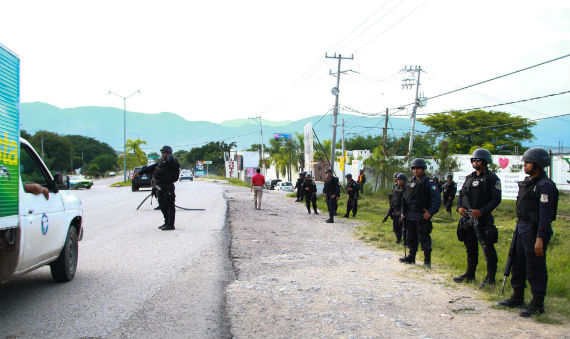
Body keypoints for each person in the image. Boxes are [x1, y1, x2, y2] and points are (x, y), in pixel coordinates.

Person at [498, 148, 559, 317]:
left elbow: (546, 216)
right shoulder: (529, 182)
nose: (524, 165)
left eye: (528, 162)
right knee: (517, 264)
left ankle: (537, 303)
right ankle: (517, 297)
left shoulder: (544, 186)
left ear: (538, 164)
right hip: (522, 228)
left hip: (534, 230)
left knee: (535, 267)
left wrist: (541, 238)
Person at [454, 148, 501, 287]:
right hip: (468, 220)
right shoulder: (469, 177)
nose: (475, 162)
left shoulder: (492, 178)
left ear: (485, 162)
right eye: (473, 160)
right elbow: (462, 194)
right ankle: (470, 274)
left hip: (483, 220)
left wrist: (482, 211)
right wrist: (459, 207)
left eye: (478, 160)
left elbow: (496, 199)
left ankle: (490, 279)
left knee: (488, 249)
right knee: (470, 248)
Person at [400, 158, 441, 268]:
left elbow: (436, 200)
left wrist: (431, 212)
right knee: (410, 237)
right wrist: (403, 213)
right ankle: (411, 257)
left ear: (423, 169)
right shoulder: (411, 182)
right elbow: (405, 199)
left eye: (418, 168)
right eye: (413, 168)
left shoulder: (430, 183)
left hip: (423, 215)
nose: (415, 170)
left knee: (424, 238)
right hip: (410, 214)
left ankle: (427, 261)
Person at [135, 145, 180, 231]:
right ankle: (166, 222)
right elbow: (151, 167)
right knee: (162, 204)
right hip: (160, 186)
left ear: (168, 153)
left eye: (164, 152)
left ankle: (171, 224)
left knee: (170, 205)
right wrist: (139, 172)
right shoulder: (162, 162)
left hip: (168, 186)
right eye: (162, 152)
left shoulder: (171, 161)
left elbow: (172, 164)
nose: (162, 154)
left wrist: (168, 156)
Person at [388, 173, 407, 243]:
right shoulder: (396, 188)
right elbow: (393, 199)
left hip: (403, 210)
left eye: (400, 180)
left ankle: (404, 240)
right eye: (398, 180)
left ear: (404, 181)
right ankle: (398, 238)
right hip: (395, 209)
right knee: (395, 226)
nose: (399, 181)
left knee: (402, 226)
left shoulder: (407, 189)